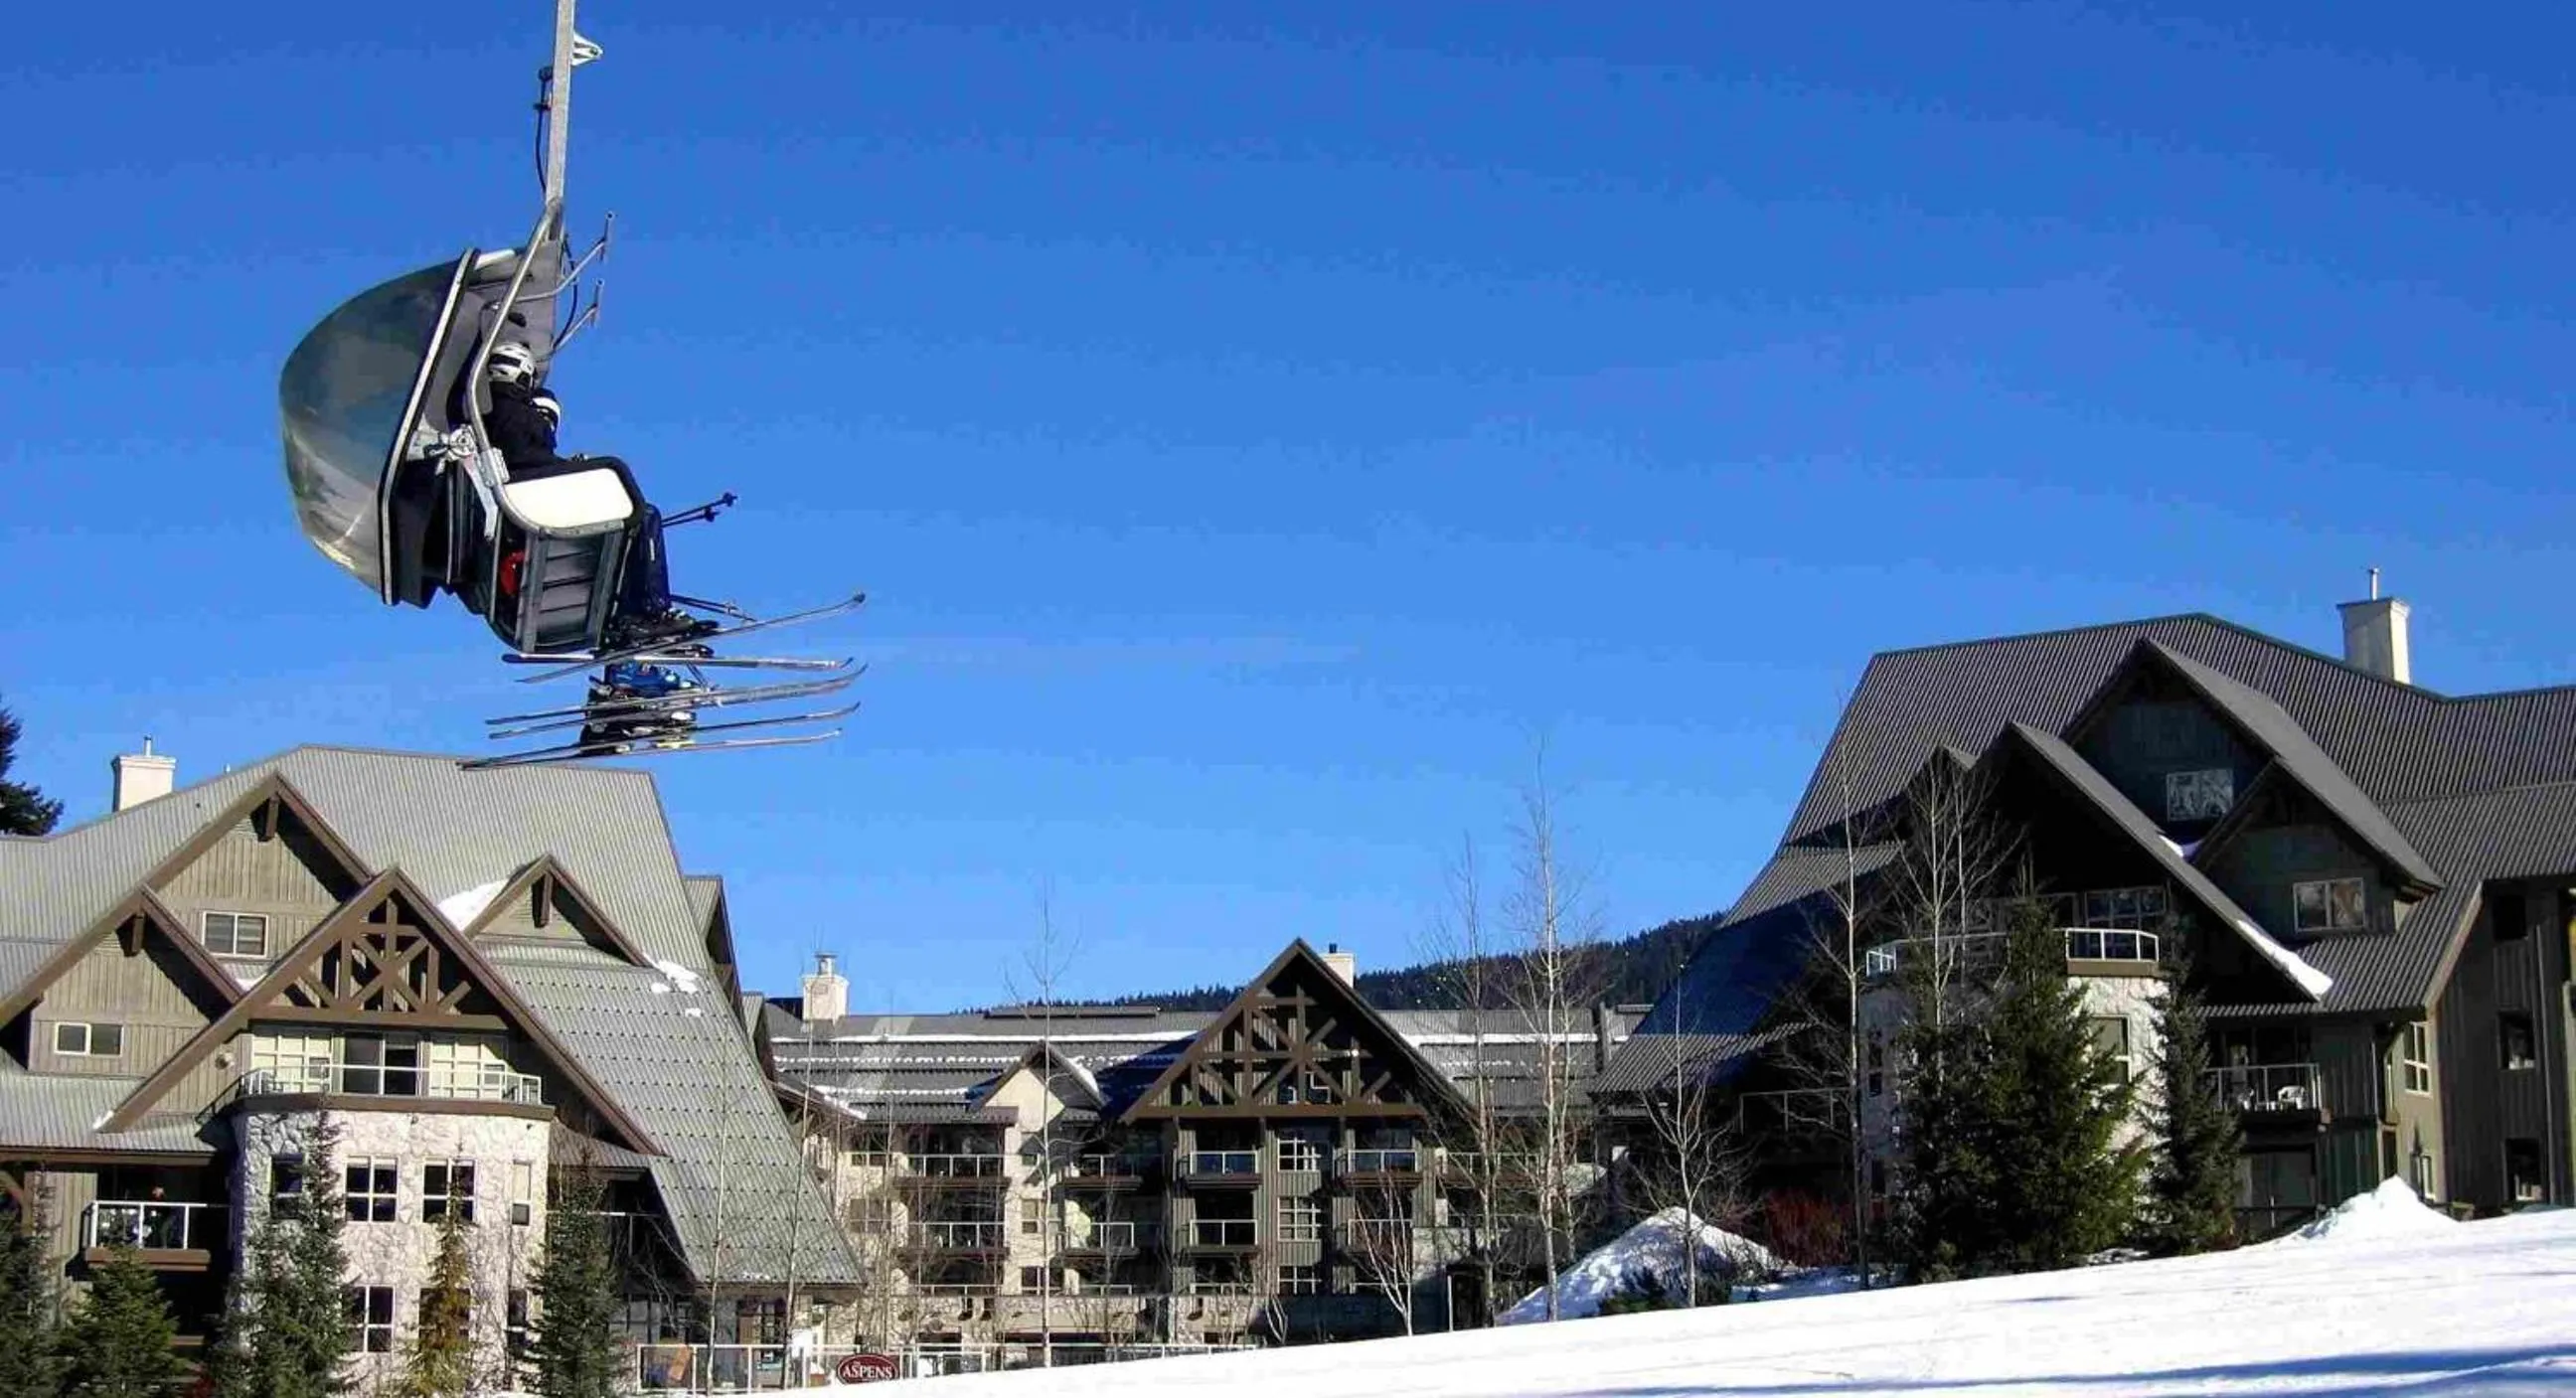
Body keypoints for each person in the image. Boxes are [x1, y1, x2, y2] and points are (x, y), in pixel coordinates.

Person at [479, 340, 715, 654]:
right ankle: (651, 611)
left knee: (621, 532)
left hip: (525, 516)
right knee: (643, 517)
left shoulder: (487, 418)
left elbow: (525, 460)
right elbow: (529, 463)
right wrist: (571, 468)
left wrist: (566, 465)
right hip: (537, 514)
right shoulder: (515, 416)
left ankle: (626, 621)